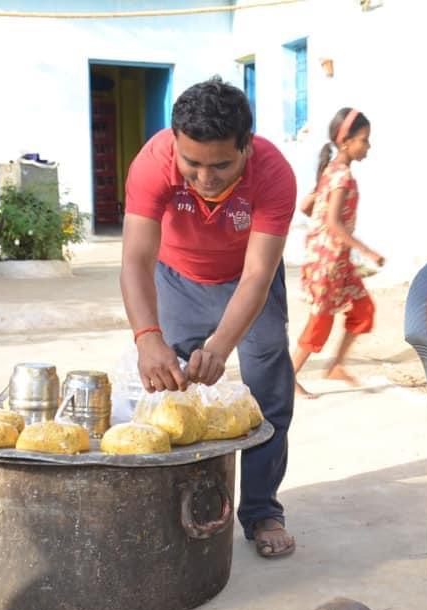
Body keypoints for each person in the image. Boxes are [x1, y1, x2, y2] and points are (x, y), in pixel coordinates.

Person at [120, 76, 297, 558]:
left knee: (268, 393)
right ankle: (176, 508)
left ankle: (261, 509)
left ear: (247, 148)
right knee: (169, 394)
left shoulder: (275, 173)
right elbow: (136, 259)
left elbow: (258, 274)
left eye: (221, 164)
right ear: (174, 143)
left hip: (247, 283)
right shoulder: (152, 163)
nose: (204, 177)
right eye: (192, 163)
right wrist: (147, 336)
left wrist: (221, 345)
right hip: (176, 278)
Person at [291, 107, 385, 398]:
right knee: (320, 320)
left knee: (363, 309)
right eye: (364, 140)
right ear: (346, 142)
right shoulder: (341, 176)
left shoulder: (331, 171)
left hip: (337, 262)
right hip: (327, 263)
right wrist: (368, 252)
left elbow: (307, 207)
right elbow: (332, 222)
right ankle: (288, 377)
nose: (367, 146)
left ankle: (336, 365)